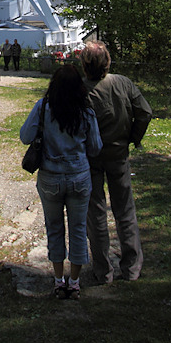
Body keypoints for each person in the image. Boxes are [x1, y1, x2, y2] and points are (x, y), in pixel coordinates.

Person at [20, 64, 102, 300]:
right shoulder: (86, 112)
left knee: (54, 229)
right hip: (79, 176)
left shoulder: (43, 107)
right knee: (78, 229)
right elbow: (95, 148)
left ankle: (58, 281)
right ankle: (74, 283)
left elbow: (25, 136)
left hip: (50, 177)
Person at [80, 41, 152, 283]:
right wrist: (132, 138)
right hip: (118, 155)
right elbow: (145, 111)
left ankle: (103, 271)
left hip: (91, 159)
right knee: (124, 211)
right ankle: (131, 268)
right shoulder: (122, 83)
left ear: (85, 65)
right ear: (107, 62)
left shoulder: (80, 91)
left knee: (96, 215)